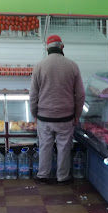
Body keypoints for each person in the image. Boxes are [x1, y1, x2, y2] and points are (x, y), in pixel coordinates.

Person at [29, 34, 85, 184]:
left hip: (44, 117)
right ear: (62, 47)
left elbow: (33, 94)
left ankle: (43, 175)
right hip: (66, 117)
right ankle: (62, 177)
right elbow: (80, 94)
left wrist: (34, 113)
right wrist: (77, 114)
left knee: (45, 147)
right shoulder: (72, 66)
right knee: (64, 148)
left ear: (47, 48)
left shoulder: (39, 66)